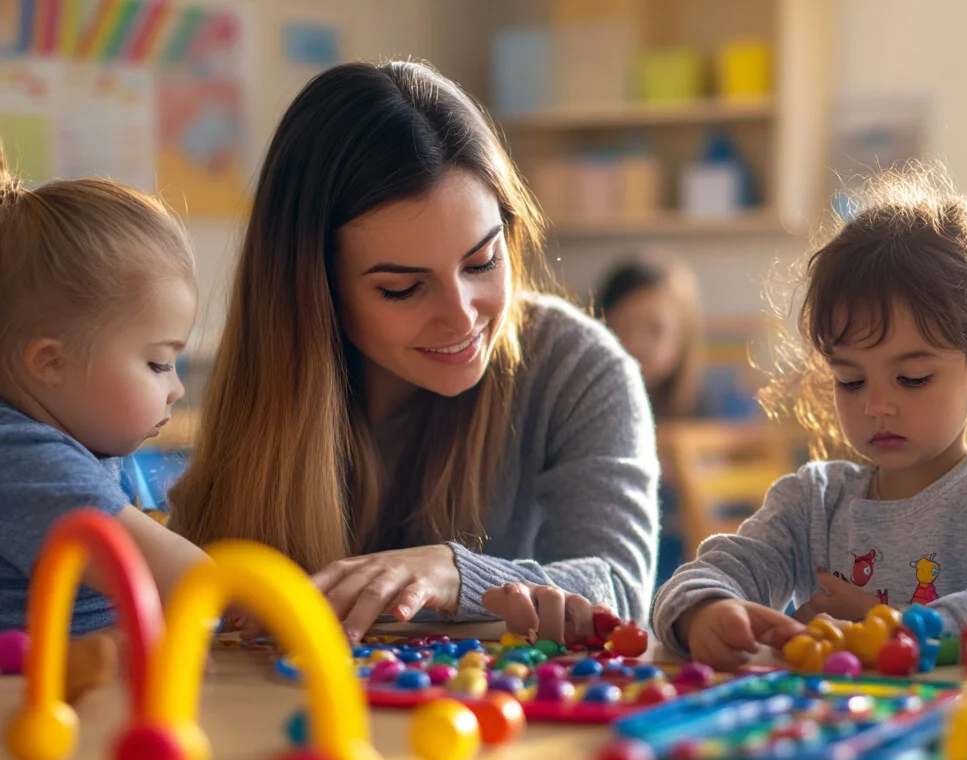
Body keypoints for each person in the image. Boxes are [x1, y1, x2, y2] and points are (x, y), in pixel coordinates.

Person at [167, 61, 658, 645]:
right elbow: (192, 594)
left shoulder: (577, 367)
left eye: (482, 262)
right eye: (401, 288)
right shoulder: (274, 380)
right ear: (314, 289)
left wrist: (455, 572)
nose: (461, 315)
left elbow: (621, 593)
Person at [651, 166, 967, 669]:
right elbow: (702, 577)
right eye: (851, 379)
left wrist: (902, 628)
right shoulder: (814, 504)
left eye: (911, 378)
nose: (876, 405)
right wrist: (705, 611)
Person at [0, 155, 207, 694]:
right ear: (50, 363)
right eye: (159, 364)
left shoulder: (78, 442)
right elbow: (179, 574)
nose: (177, 389)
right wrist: (286, 600)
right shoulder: (21, 456)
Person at [595, 251, 705, 419]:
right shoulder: (588, 410)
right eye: (623, 327)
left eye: (655, 330)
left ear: (683, 336)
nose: (637, 343)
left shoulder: (707, 416)